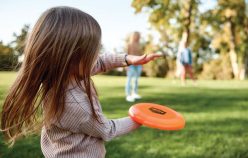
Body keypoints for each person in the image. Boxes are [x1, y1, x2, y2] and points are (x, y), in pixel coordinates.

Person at [0, 7, 161, 158]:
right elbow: (107, 130)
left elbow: (100, 62)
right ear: (73, 58)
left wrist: (127, 59)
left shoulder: (64, 73)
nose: (98, 55)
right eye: (93, 51)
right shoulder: (74, 103)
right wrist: (140, 118)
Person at [125, 32, 144, 102]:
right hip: (131, 64)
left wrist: (142, 64)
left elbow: (141, 55)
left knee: (136, 80)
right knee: (129, 79)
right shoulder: (129, 44)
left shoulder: (139, 45)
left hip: (138, 64)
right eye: (137, 36)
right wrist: (126, 65)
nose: (138, 37)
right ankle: (128, 95)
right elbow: (125, 55)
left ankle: (134, 93)